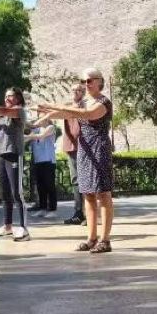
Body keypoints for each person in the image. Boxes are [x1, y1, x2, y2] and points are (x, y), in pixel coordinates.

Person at [38, 68, 115, 255]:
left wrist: (55, 106)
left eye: (89, 80)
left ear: (99, 81)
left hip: (99, 149)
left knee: (103, 194)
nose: (86, 84)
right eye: (83, 81)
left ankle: (105, 240)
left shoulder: (103, 102)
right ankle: (91, 238)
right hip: (84, 150)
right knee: (88, 194)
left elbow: (87, 114)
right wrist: (47, 113)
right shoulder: (82, 102)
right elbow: (68, 114)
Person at [0, 87, 30, 241]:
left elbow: (4, 111)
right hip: (0, 154)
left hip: (14, 154)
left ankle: (24, 229)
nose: (7, 98)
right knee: (4, 193)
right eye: (5, 96)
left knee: (17, 193)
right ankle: (7, 227)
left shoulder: (19, 111)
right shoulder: (1, 114)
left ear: (18, 98)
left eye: (11, 96)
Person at [61, 82, 87, 225]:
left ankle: (88, 214)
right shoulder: (67, 107)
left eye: (78, 90)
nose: (75, 92)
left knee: (86, 180)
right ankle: (78, 213)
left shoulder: (86, 106)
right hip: (71, 146)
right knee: (75, 180)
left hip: (84, 146)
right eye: (73, 90)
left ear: (83, 93)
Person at [25, 117, 59, 218]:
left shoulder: (51, 127)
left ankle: (53, 210)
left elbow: (41, 136)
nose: (39, 120)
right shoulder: (36, 130)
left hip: (48, 161)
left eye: (42, 119)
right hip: (38, 161)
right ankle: (42, 208)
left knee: (50, 185)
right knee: (40, 187)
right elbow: (29, 136)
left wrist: (28, 136)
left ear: (47, 120)